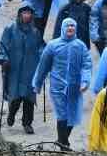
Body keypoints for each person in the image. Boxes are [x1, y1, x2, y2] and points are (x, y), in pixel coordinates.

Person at [32, 16, 92, 149]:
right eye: (68, 26)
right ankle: (64, 144)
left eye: (72, 26)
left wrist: (85, 81)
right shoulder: (53, 45)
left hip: (75, 87)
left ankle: (61, 140)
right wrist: (37, 83)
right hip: (57, 86)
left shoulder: (80, 46)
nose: (70, 28)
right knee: (62, 114)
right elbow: (43, 66)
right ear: (63, 28)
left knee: (72, 115)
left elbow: (86, 65)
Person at [0, 2, 44, 132]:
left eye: (29, 13)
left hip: (30, 68)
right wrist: (3, 58)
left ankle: (27, 123)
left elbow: (41, 47)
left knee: (29, 97)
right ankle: (11, 113)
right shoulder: (10, 29)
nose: (27, 15)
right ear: (20, 14)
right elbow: (3, 46)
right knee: (15, 97)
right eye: (24, 12)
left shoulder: (35, 32)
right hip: (14, 69)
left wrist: (44, 58)